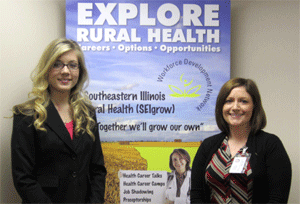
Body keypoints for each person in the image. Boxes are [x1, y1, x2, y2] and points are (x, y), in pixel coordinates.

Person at [11, 38, 107, 203]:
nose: (65, 71)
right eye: (57, 64)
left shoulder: (88, 113)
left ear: (79, 71)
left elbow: (97, 170)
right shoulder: (26, 114)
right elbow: (24, 179)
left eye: (72, 65)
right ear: (47, 69)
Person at [191, 78, 292, 203]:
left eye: (243, 101)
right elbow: (197, 194)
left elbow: (277, 199)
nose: (235, 107)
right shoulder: (208, 145)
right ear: (221, 106)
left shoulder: (271, 145)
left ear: (254, 106)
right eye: (229, 101)